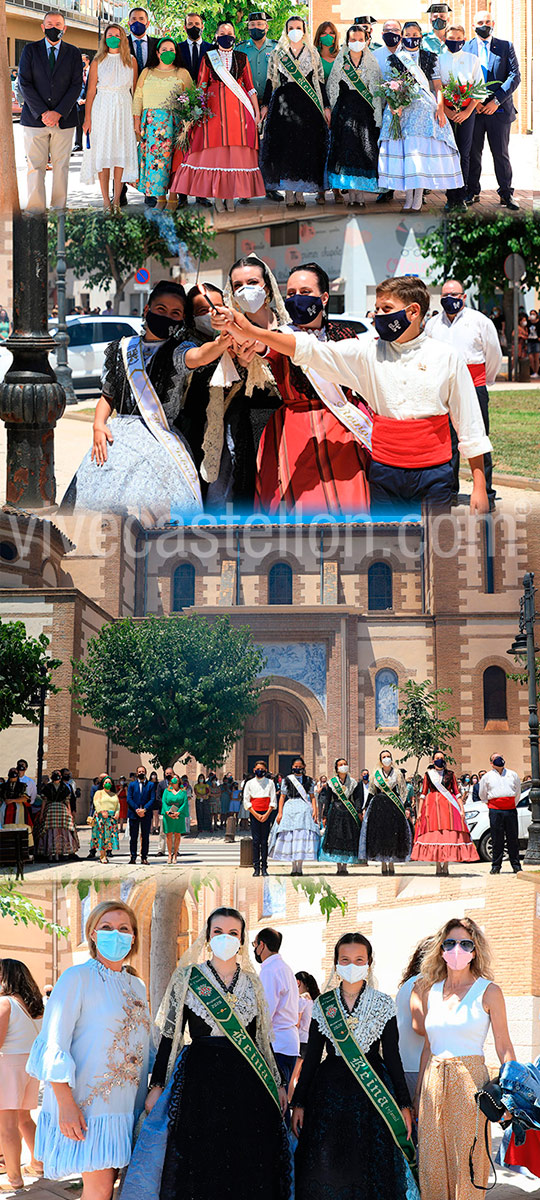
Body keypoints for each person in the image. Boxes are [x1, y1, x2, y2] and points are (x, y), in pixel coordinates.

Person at [221, 274, 492, 512]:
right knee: (389, 551)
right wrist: (253, 331)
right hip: (386, 470)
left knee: (434, 548)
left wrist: (479, 484)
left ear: (413, 311)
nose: (378, 316)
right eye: (376, 309)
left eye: (387, 309)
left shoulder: (446, 356)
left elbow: (469, 423)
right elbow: (311, 350)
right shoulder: (367, 352)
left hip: (434, 471)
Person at [122, 907, 290, 1200]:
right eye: (218, 932)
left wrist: (277, 1082)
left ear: (242, 939)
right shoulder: (188, 977)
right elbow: (170, 1035)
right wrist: (158, 1084)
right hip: (199, 1079)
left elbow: (262, 1038)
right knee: (199, 1154)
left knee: (245, 1155)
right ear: (208, 936)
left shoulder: (253, 983)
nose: (226, 938)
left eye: (233, 933)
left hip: (247, 1080)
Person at [61, 281, 232, 521]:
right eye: (161, 309)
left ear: (182, 320)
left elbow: (201, 355)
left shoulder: (179, 350)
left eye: (175, 313)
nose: (166, 316)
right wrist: (98, 425)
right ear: (147, 310)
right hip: (116, 439)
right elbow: (107, 396)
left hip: (160, 440)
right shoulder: (120, 349)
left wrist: (222, 341)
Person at [27, 901, 150, 1197]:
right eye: (106, 927)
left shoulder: (138, 986)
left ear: (133, 937)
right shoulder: (76, 977)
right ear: (93, 934)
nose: (115, 934)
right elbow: (54, 1041)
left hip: (127, 1106)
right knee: (99, 1191)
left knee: (110, 1190)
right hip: (89, 1108)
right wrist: (65, 1103)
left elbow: (145, 1044)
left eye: (123, 929)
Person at [292, 932, 417, 1200]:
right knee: (329, 1166)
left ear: (369, 962)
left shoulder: (384, 1003)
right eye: (345, 959)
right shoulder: (323, 1005)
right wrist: (299, 1102)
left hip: (372, 1095)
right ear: (336, 963)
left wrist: (404, 1105)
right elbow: (312, 1058)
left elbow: (393, 1057)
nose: (352, 965)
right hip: (329, 1096)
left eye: (359, 959)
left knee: (369, 1168)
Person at [247, 262, 371, 515]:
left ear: (324, 297)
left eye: (305, 292)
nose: (297, 299)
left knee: (351, 502)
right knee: (298, 507)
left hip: (343, 426)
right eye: (291, 294)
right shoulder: (282, 335)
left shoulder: (345, 333)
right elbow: (260, 345)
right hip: (295, 430)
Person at [411, 916, 515, 1200]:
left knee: (468, 1165)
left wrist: (511, 1097)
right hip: (433, 1084)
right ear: (441, 948)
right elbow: (428, 1046)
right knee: (432, 1166)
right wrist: (419, 1091)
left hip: (470, 1084)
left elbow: (504, 1046)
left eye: (465, 943)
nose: (457, 949)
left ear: (475, 949)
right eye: (451, 942)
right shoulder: (429, 990)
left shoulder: (489, 991)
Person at [203, 255, 285, 509]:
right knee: (249, 489)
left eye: (252, 281)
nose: (245, 289)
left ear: (267, 287)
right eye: (238, 285)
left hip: (289, 418)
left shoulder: (289, 325)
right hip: (249, 421)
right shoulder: (229, 329)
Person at [425, 278, 502, 509]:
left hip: (475, 385)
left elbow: (494, 355)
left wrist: (484, 382)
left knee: (478, 439)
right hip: (444, 388)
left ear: (464, 297)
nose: (450, 299)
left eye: (455, 295)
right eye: (446, 296)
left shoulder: (480, 321)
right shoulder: (432, 325)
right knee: (448, 442)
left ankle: (486, 493)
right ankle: (448, 492)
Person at [172, 21, 264, 213]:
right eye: (222, 32)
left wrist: (256, 113)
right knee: (216, 156)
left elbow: (250, 87)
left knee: (234, 157)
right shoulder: (208, 58)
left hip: (239, 114)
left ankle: (231, 196)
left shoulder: (242, 57)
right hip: (213, 113)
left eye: (229, 33)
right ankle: (217, 197)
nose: (226, 36)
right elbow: (201, 86)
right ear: (215, 36)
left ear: (234, 36)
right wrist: (195, 112)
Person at [378, 20, 463, 211]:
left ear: (421, 37)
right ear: (402, 37)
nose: (411, 39)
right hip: (403, 111)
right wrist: (394, 106)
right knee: (407, 154)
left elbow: (438, 86)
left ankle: (417, 200)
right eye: (407, 36)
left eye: (415, 35)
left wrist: (441, 109)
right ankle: (408, 198)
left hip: (425, 112)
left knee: (420, 154)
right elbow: (389, 85)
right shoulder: (394, 58)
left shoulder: (431, 57)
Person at [260, 17, 330, 208]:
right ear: (286, 30)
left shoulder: (313, 53)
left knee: (302, 148)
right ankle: (289, 193)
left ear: (304, 30)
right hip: (283, 105)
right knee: (285, 149)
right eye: (291, 28)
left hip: (307, 106)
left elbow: (320, 81)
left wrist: (326, 107)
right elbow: (270, 80)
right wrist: (265, 105)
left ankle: (300, 192)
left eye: (298, 27)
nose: (295, 31)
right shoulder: (278, 53)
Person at [18, 11, 83, 213]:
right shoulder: (30, 50)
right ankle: (36, 210)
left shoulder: (73, 52)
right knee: (35, 167)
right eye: (49, 24)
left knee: (61, 166)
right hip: (34, 120)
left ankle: (59, 208)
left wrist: (58, 112)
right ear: (42, 26)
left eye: (58, 24)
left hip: (64, 121)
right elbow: (24, 83)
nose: (53, 27)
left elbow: (76, 85)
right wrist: (44, 112)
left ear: (65, 28)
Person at [464, 11, 521, 210]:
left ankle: (506, 194)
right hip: (474, 111)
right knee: (473, 153)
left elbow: (514, 76)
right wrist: (474, 102)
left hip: (499, 110)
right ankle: (472, 191)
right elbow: (462, 76)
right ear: (473, 25)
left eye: (488, 22)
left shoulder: (506, 46)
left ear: (493, 23)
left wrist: (496, 101)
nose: (484, 25)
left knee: (501, 154)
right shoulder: (465, 47)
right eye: (480, 22)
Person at [81, 25, 138, 212]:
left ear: (123, 38)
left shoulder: (131, 60)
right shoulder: (98, 61)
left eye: (117, 35)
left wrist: (137, 117)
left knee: (120, 154)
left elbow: (135, 91)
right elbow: (90, 91)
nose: (113, 38)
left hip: (124, 108)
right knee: (103, 155)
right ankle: (106, 201)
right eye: (110, 35)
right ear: (105, 39)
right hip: (102, 108)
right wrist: (87, 118)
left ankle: (116, 201)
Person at [326, 24, 383, 206]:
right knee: (347, 153)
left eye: (360, 40)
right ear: (347, 41)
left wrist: (377, 116)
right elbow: (333, 87)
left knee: (363, 153)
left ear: (366, 41)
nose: (356, 43)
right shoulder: (341, 61)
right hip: (345, 113)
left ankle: (360, 195)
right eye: (353, 40)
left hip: (365, 114)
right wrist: (335, 112)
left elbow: (376, 91)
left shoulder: (372, 62)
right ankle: (351, 195)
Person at [0, 960, 43, 1191]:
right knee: (24, 1119)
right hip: (28, 1066)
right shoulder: (33, 1008)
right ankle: (38, 1163)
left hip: (8, 1066)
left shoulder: (5, 1003)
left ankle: (14, 1179)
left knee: (7, 1125)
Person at [133, 39, 191, 210]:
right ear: (157, 53)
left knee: (174, 161)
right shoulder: (147, 72)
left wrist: (187, 123)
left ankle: (173, 197)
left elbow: (190, 98)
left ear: (176, 52)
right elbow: (138, 97)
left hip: (175, 123)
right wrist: (137, 120)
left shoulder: (182, 73)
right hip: (151, 124)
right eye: (164, 49)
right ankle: (160, 199)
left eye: (171, 49)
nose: (167, 52)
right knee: (156, 162)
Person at [438, 25, 485, 211]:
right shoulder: (439, 60)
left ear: (464, 39)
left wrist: (467, 112)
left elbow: (479, 88)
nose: (455, 41)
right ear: (445, 39)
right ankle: (450, 197)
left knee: (464, 154)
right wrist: (447, 112)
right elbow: (438, 88)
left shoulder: (472, 59)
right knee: (449, 153)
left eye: (459, 38)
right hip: (446, 113)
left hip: (467, 113)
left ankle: (462, 196)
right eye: (451, 37)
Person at [410, 749, 479, 874]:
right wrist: (419, 812)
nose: (439, 760)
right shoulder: (428, 774)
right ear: (433, 760)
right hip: (431, 807)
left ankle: (446, 864)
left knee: (448, 834)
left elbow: (457, 793)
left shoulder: (451, 774)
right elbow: (423, 793)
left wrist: (462, 809)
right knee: (435, 835)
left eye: (441, 757)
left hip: (448, 807)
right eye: (437, 758)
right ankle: (437, 865)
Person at [254, 927, 300, 1098]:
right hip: (289, 1043)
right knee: (283, 1098)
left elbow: (265, 1012)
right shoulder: (285, 968)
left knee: (273, 1100)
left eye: (254, 944)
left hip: (276, 1045)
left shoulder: (270, 970)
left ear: (261, 945)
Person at [360, 750, 412, 873]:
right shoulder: (375, 774)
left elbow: (404, 791)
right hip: (379, 807)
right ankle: (383, 863)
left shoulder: (397, 773)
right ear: (380, 759)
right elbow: (372, 792)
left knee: (393, 834)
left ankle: (392, 862)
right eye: (384, 757)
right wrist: (365, 807)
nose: (386, 758)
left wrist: (407, 807)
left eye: (388, 756)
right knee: (381, 835)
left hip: (394, 806)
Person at [395, 936, 434, 1098]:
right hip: (417, 1067)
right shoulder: (423, 983)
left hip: (406, 1064)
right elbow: (419, 1026)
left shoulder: (409, 982)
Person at [268, 755, 320, 875]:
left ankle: (300, 867)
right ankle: (293, 867)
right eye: (296, 767)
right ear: (292, 767)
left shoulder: (309, 780)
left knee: (301, 836)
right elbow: (282, 797)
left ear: (304, 767)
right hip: (290, 808)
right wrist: (280, 812)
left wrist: (315, 811)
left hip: (304, 810)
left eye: (300, 767)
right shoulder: (287, 780)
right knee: (290, 837)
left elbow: (312, 797)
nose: (298, 769)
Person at [319, 757, 364, 875]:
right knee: (336, 838)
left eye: (345, 764)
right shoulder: (331, 783)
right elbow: (327, 800)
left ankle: (345, 866)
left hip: (349, 813)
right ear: (336, 768)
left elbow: (358, 799)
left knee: (347, 838)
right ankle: (339, 866)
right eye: (341, 764)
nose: (343, 766)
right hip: (335, 812)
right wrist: (324, 816)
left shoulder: (353, 783)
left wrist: (359, 811)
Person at [479, 753, 522, 874]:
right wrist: (491, 805)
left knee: (512, 838)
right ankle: (496, 866)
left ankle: (516, 865)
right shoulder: (487, 777)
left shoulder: (512, 774)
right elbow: (483, 794)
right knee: (497, 838)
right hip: (495, 810)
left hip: (510, 810)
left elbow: (517, 791)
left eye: (501, 757)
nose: (499, 760)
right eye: (495, 758)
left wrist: (511, 803)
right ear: (491, 763)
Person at [242, 761, 277, 876]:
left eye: (262, 769)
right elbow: (246, 801)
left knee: (264, 841)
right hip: (254, 813)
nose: (260, 771)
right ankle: (256, 867)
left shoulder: (270, 783)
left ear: (265, 770)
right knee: (256, 841)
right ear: (254, 770)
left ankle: (264, 867)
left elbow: (273, 801)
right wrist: (255, 814)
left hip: (267, 813)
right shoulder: (249, 783)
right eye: (258, 769)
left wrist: (266, 814)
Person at [36, 771, 79, 862]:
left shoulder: (64, 787)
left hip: (61, 810)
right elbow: (44, 801)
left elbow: (67, 801)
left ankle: (59, 853)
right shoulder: (48, 787)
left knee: (63, 830)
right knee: (50, 830)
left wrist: (70, 813)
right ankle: (50, 853)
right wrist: (42, 813)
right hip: (51, 810)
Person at [290, 972, 320, 1095]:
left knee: (291, 1079)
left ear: (298, 983)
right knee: (301, 1078)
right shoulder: (314, 1001)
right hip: (309, 1042)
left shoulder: (302, 1000)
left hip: (300, 1041)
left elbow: (296, 1023)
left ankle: (290, 1106)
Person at [89, 775, 120, 864]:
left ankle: (106, 853)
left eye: (109, 783)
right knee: (101, 836)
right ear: (102, 784)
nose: (107, 784)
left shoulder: (114, 794)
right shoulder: (99, 792)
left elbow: (117, 805)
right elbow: (96, 802)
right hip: (101, 817)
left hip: (111, 818)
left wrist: (117, 812)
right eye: (106, 782)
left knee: (108, 837)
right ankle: (102, 855)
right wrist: (101, 811)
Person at [127, 765, 154, 864]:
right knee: (133, 836)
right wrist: (137, 809)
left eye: (143, 771)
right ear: (137, 773)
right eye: (139, 771)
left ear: (145, 773)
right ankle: (133, 857)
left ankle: (144, 857)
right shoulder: (132, 785)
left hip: (146, 814)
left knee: (145, 836)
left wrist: (144, 809)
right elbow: (129, 798)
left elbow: (152, 799)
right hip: (134, 814)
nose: (141, 773)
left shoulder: (150, 785)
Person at [161, 773, 190, 863]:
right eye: (173, 777)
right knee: (169, 835)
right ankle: (169, 854)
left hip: (179, 814)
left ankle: (175, 854)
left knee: (177, 835)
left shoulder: (183, 791)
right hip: (168, 814)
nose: (175, 779)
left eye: (177, 777)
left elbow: (184, 802)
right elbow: (164, 801)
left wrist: (178, 812)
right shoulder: (167, 791)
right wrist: (167, 811)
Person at [177, 12, 212, 80]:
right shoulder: (178, 48)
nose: (194, 27)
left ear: (202, 27)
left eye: (197, 24)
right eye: (190, 24)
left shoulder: (211, 49)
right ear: (185, 28)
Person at [73, 52, 90, 152]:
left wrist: (87, 100)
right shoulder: (77, 72)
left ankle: (91, 144)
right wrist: (79, 99)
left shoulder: (93, 70)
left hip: (90, 102)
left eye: (83, 61)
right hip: (79, 103)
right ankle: (78, 144)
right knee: (78, 124)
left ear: (87, 61)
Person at [527, 309, 540, 378]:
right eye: (531, 314)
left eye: (533, 314)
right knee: (531, 357)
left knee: (536, 358)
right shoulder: (528, 323)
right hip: (530, 341)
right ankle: (533, 371)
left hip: (536, 341)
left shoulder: (538, 323)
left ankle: (536, 372)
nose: (532, 315)